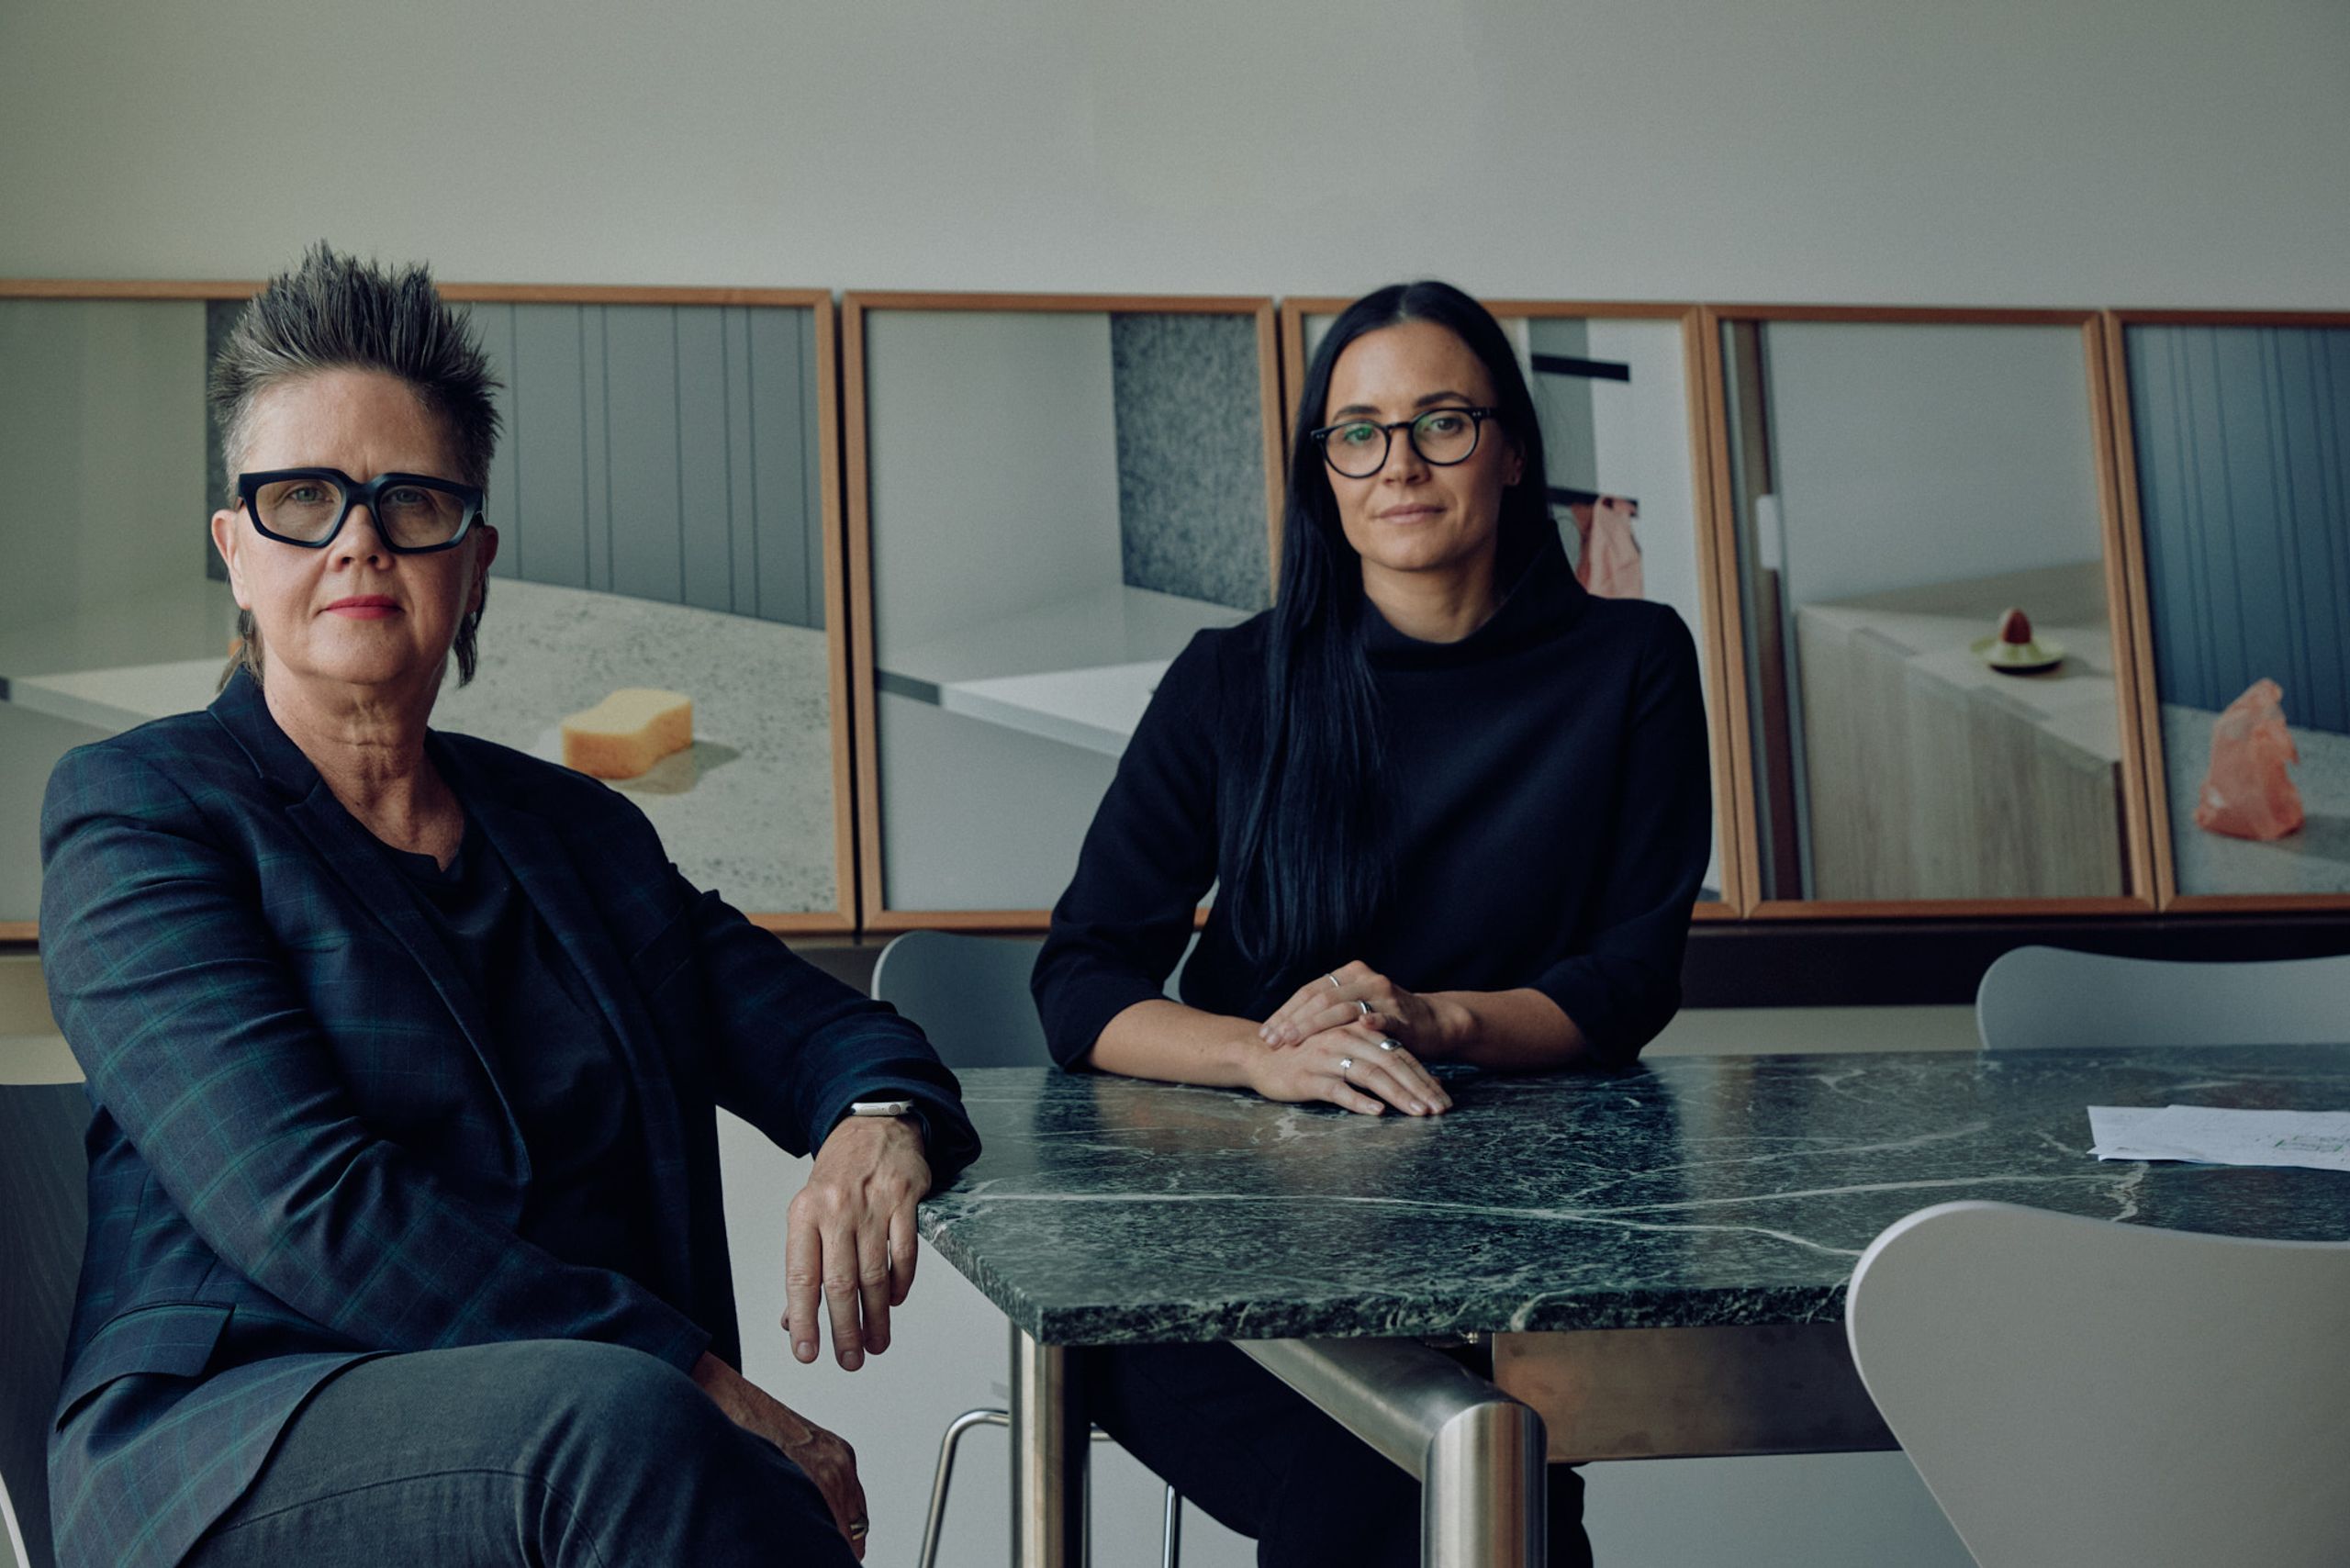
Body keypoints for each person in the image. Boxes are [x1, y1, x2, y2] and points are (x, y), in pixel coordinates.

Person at [38, 245, 979, 1568]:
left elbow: (831, 1033)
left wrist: (878, 1123)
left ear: (473, 563)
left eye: (411, 500)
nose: (359, 538)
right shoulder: (141, 813)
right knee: (634, 1436)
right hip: (234, 1441)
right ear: (236, 554)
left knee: (666, 1459)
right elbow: (304, 1204)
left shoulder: (578, 836)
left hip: (601, 1446)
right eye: (302, 497)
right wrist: (693, 1378)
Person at [1032, 280, 1712, 1565]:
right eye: (1359, 432)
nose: (1398, 463)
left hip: (1496, 1252)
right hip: (1205, 1257)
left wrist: (1434, 1019)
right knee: (1414, 1485)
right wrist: (1263, 1055)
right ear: (1324, 471)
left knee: (1495, 1485)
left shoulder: (1631, 664)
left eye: (1441, 422)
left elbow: (1630, 982)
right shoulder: (1232, 681)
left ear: (1512, 450)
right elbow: (1080, 979)